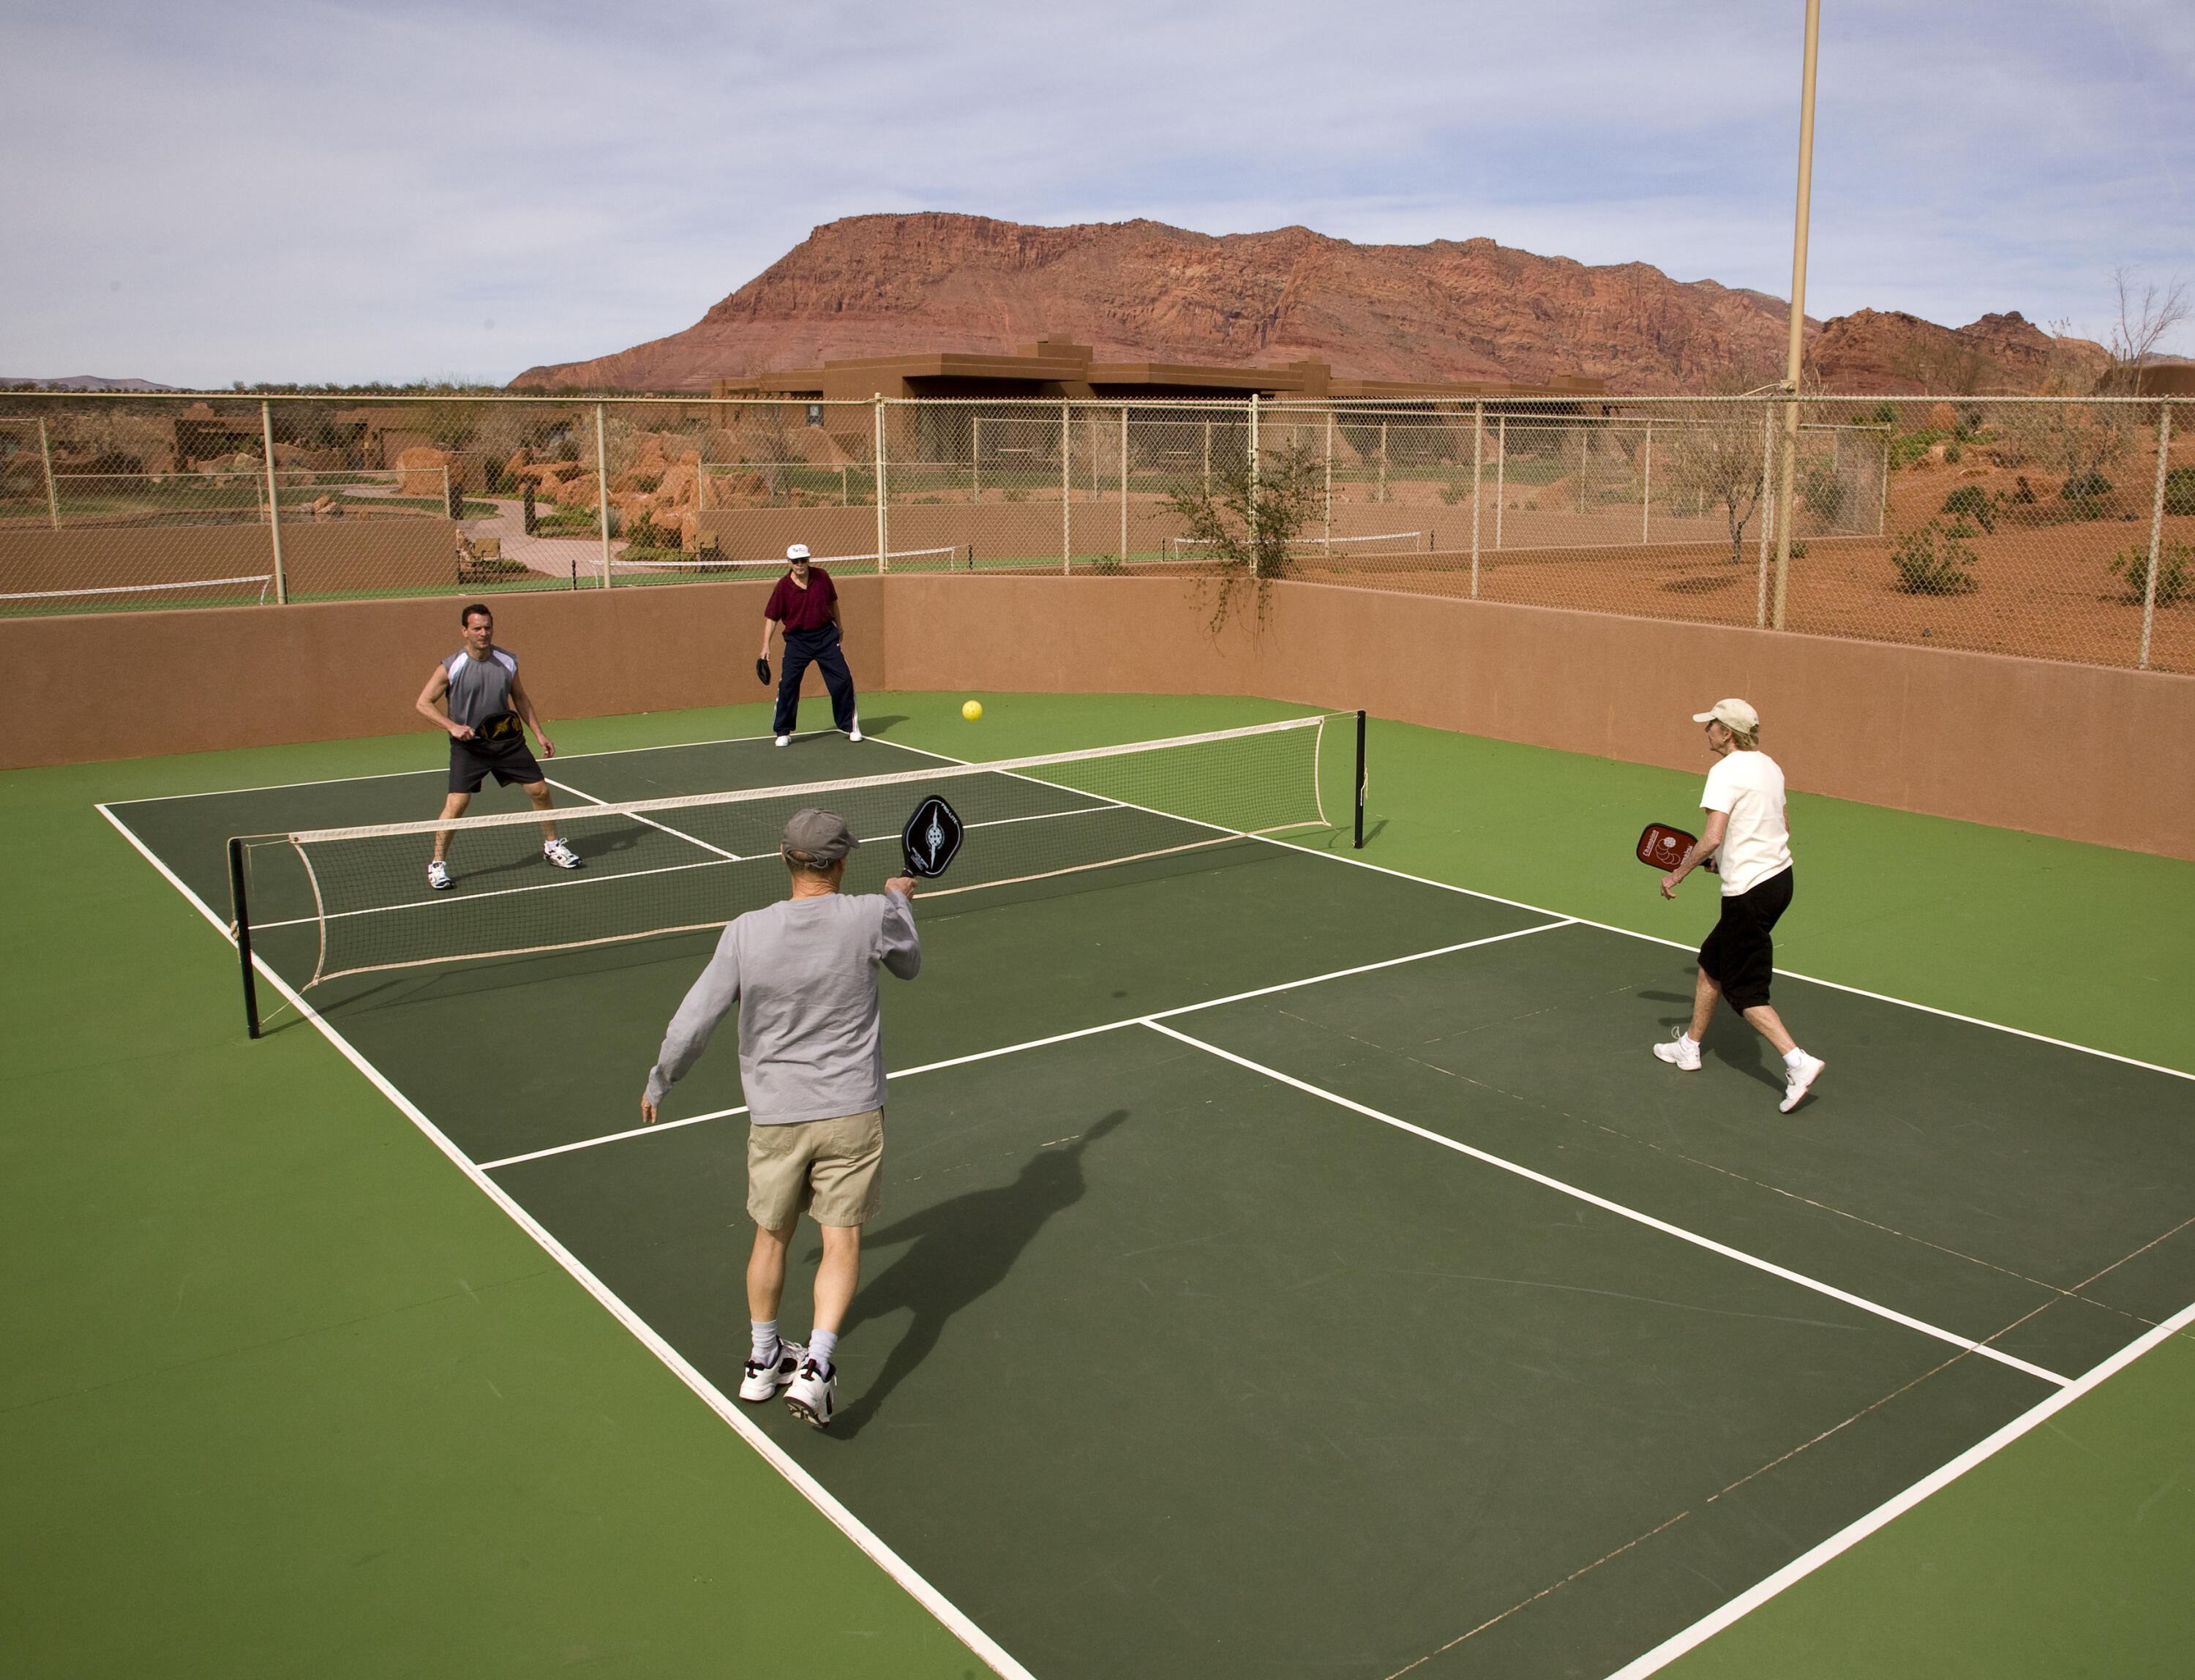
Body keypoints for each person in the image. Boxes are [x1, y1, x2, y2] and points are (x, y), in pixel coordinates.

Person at [640, 809, 920, 1429]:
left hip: (776, 1118)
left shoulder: (745, 931)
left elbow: (693, 1022)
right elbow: (908, 964)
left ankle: (763, 1361)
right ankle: (816, 1367)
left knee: (772, 1238)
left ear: (786, 860)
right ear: (842, 862)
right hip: (851, 1111)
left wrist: (663, 1077)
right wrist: (898, 901)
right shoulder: (870, 914)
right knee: (840, 1240)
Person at [1654, 697, 1826, 1113]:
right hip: (1779, 881)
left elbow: (1712, 836)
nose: (1706, 730)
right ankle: (1690, 1047)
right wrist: (1728, 861)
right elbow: (1780, 825)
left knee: (1742, 989)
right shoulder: (1771, 767)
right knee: (1712, 960)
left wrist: (1678, 873)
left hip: (1748, 892)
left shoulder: (1724, 771)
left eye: (1711, 724)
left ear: (1726, 733)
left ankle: (1797, 1061)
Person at [413, 602, 582, 889]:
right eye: (477, 628)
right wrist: (453, 726)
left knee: (540, 789)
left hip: (506, 740)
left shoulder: (507, 661)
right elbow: (423, 703)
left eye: (487, 627)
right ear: (465, 631)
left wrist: (539, 734)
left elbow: (521, 699)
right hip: (469, 746)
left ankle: (552, 846)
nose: (483, 633)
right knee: (457, 804)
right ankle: (437, 864)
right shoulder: (451, 666)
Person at [759, 543, 861, 747]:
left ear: (809, 560)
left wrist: (840, 627)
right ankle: (783, 731)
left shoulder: (822, 577)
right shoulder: (783, 586)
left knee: (843, 680)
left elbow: (833, 603)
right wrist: (765, 646)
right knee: (788, 684)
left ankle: (850, 726)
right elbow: (772, 618)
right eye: (796, 561)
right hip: (797, 641)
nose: (800, 564)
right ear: (789, 563)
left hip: (825, 636)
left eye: (803, 560)